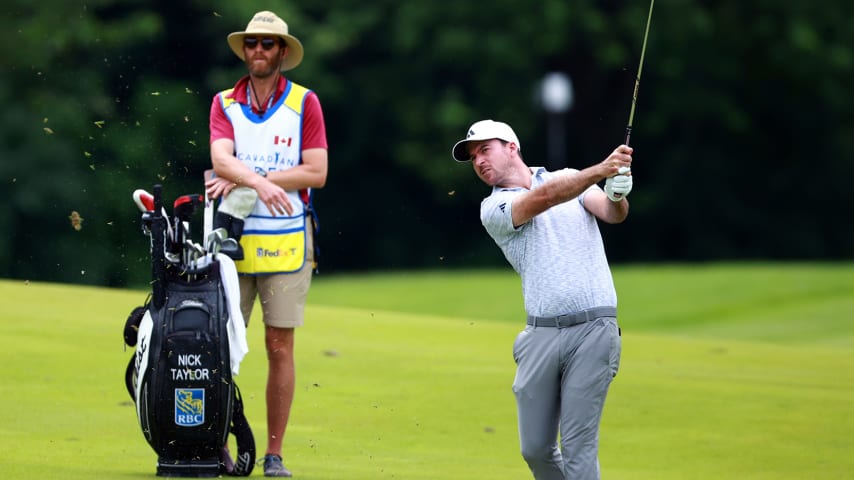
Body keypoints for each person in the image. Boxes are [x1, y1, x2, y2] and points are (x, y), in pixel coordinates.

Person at [451, 120, 633, 480]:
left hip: (594, 329)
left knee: (579, 447)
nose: (479, 162)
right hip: (541, 336)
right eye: (473, 157)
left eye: (485, 150)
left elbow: (612, 214)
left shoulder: (569, 178)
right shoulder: (494, 209)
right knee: (535, 449)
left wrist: (616, 192)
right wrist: (601, 169)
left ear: (511, 147)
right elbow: (544, 198)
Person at [205, 10, 328, 478]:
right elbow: (219, 158)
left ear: (282, 53)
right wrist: (265, 182)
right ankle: (217, 444)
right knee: (221, 346)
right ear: (245, 50)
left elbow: (315, 171)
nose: (259, 51)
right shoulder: (224, 102)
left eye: (268, 44)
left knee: (279, 345)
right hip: (231, 238)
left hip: (289, 238)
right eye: (252, 43)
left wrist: (252, 179)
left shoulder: (305, 102)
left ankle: (273, 453)